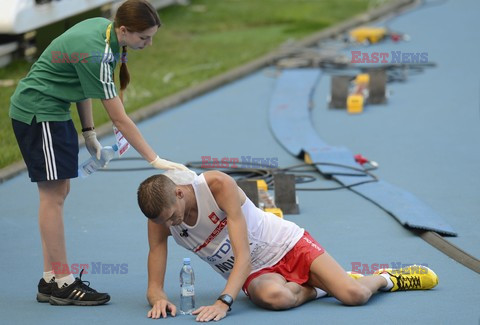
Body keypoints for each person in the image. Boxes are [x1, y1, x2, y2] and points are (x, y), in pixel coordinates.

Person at [9, 0, 188, 306]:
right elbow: (119, 118)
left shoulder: (102, 31)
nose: (149, 43)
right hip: (39, 112)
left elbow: (82, 85)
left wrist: (89, 132)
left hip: (53, 110)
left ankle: (50, 278)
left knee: (59, 192)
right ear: (124, 30)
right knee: (51, 198)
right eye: (144, 37)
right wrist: (154, 159)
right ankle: (63, 282)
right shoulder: (98, 52)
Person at [137, 170, 439, 321]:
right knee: (274, 298)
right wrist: (158, 299)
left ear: (179, 193)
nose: (173, 225)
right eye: (166, 222)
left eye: (173, 217)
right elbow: (154, 283)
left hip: (286, 244)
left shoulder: (216, 186)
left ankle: (387, 278)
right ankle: (324, 287)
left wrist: (223, 302)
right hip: (257, 271)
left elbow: (241, 255)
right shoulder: (160, 220)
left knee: (355, 295)